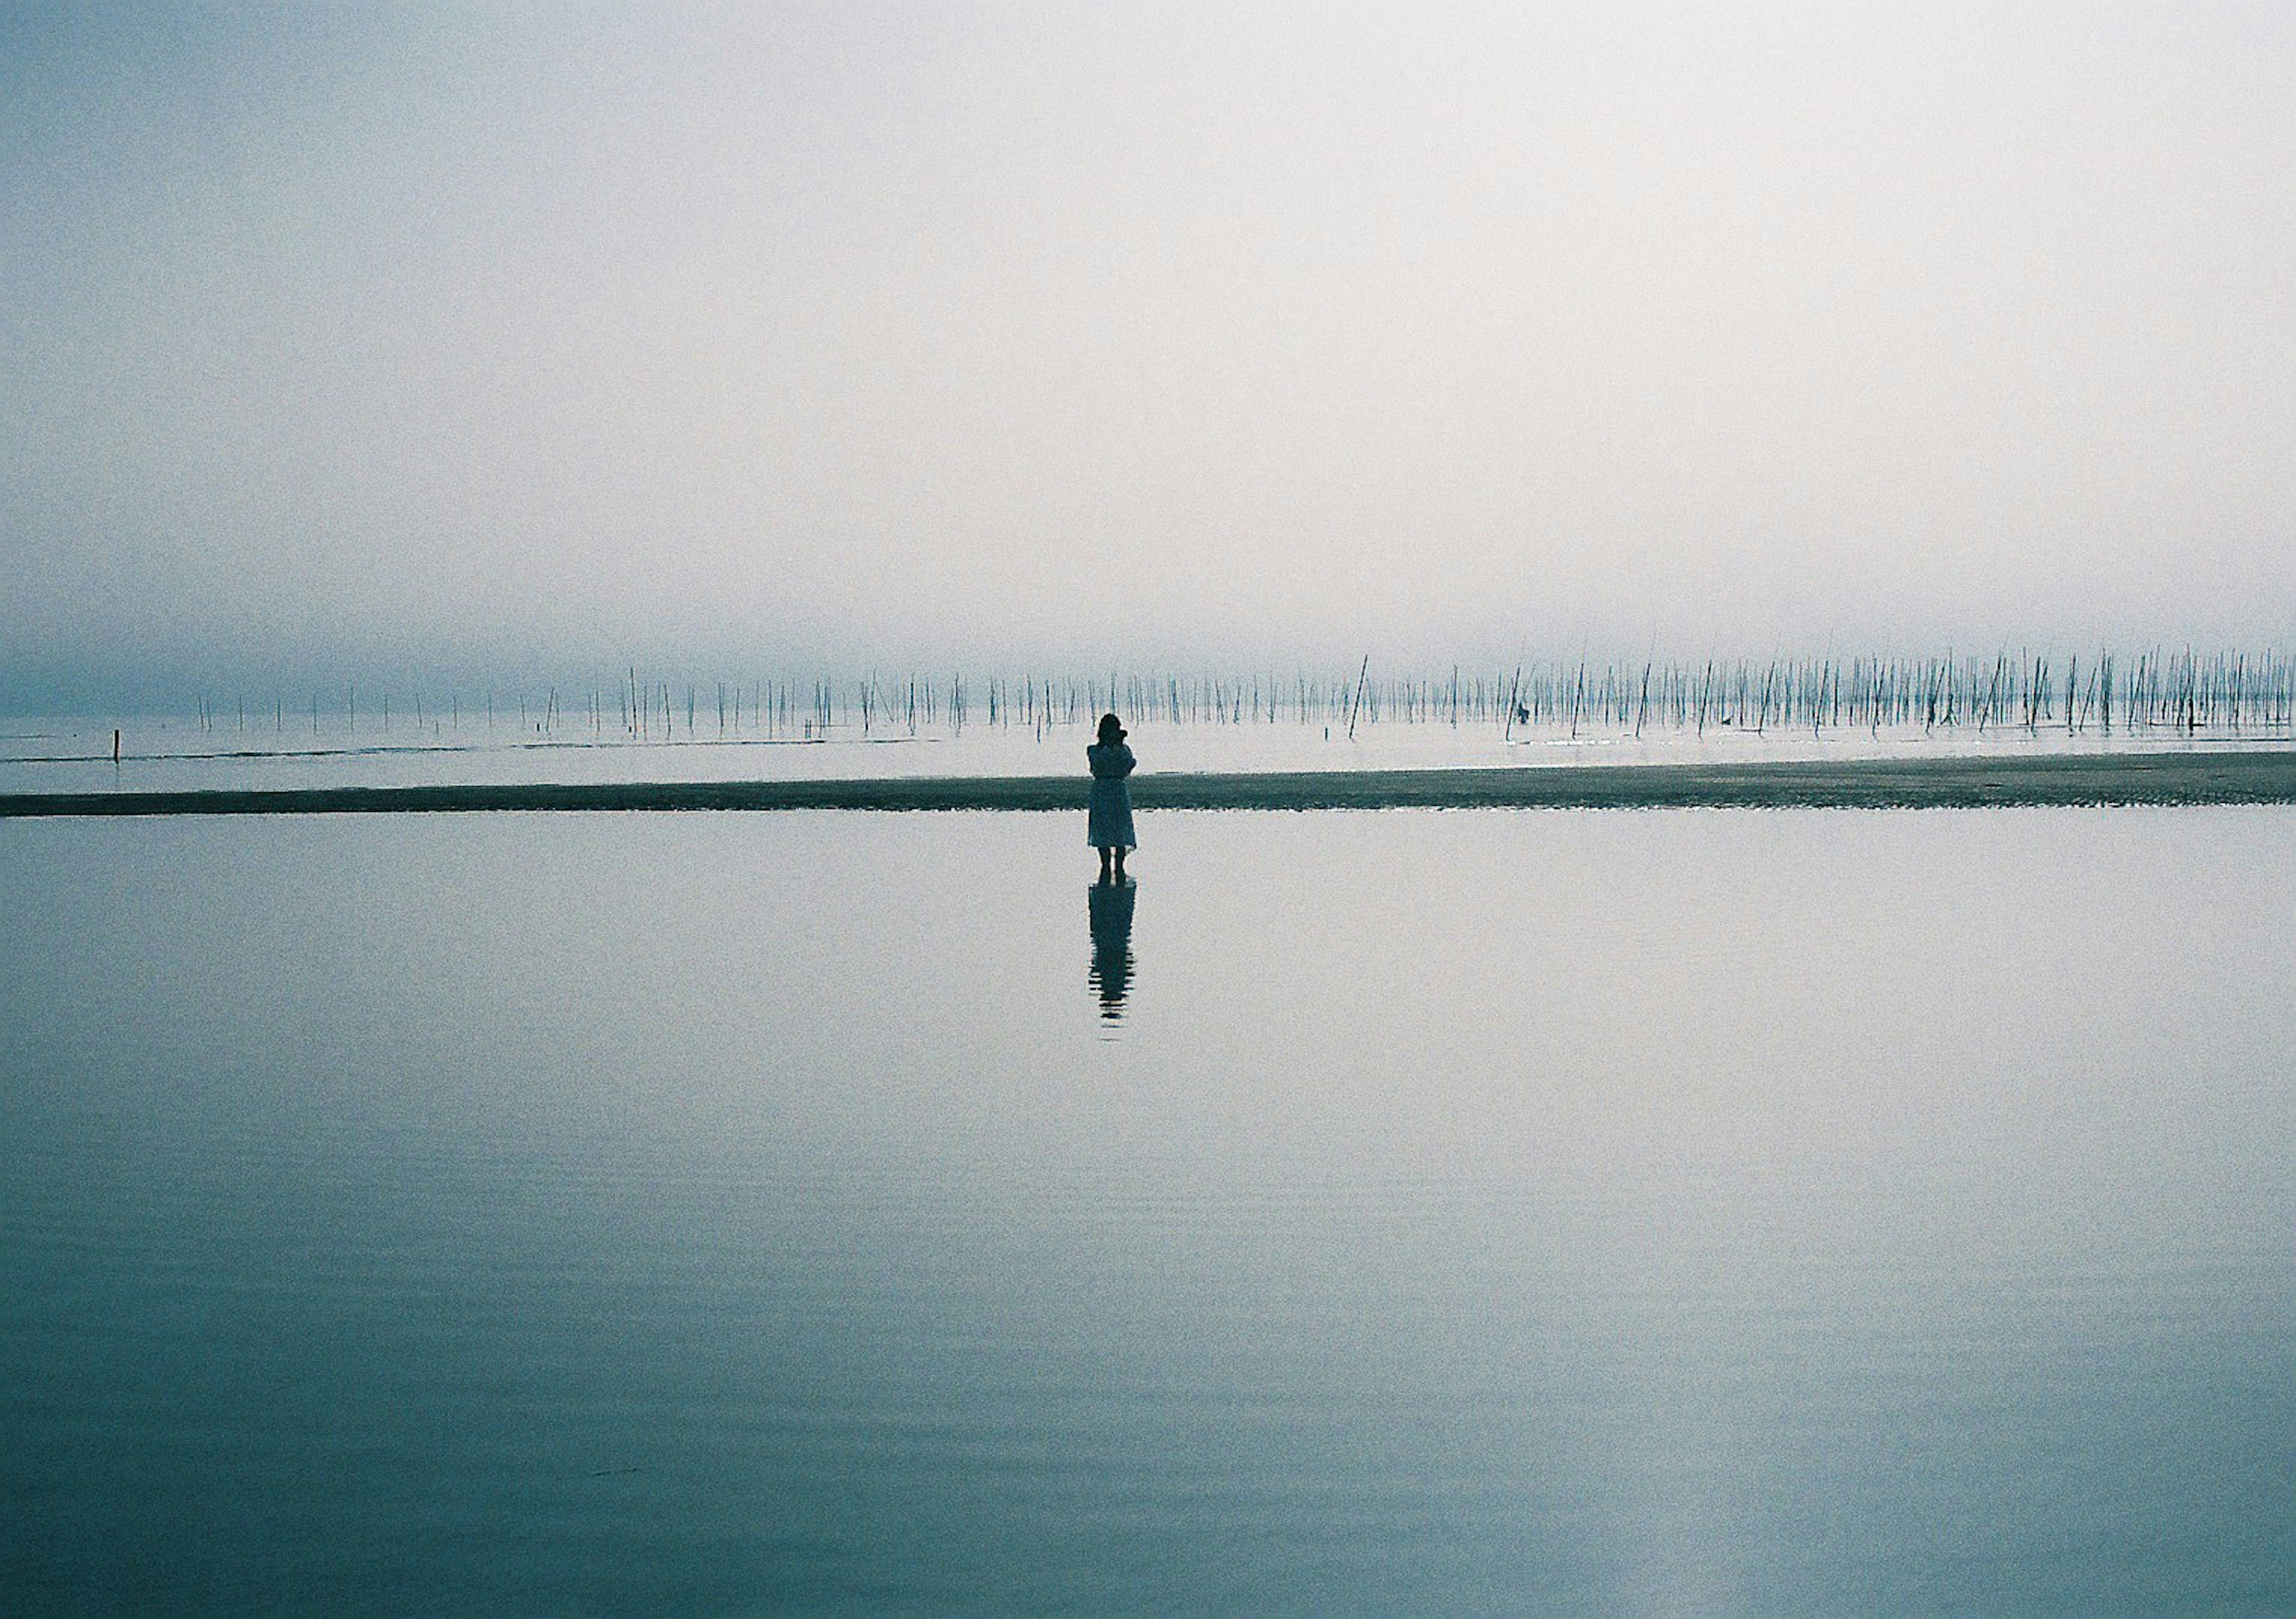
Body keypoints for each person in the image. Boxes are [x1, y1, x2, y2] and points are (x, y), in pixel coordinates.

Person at [1086, 712, 1135, 882]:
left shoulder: (1123, 750)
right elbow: (1096, 766)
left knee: (1120, 830)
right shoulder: (1094, 750)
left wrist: (1118, 746)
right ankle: (1106, 866)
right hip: (1102, 790)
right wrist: (1109, 747)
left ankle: (1119, 869)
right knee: (1103, 831)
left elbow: (1127, 767)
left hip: (1117, 790)